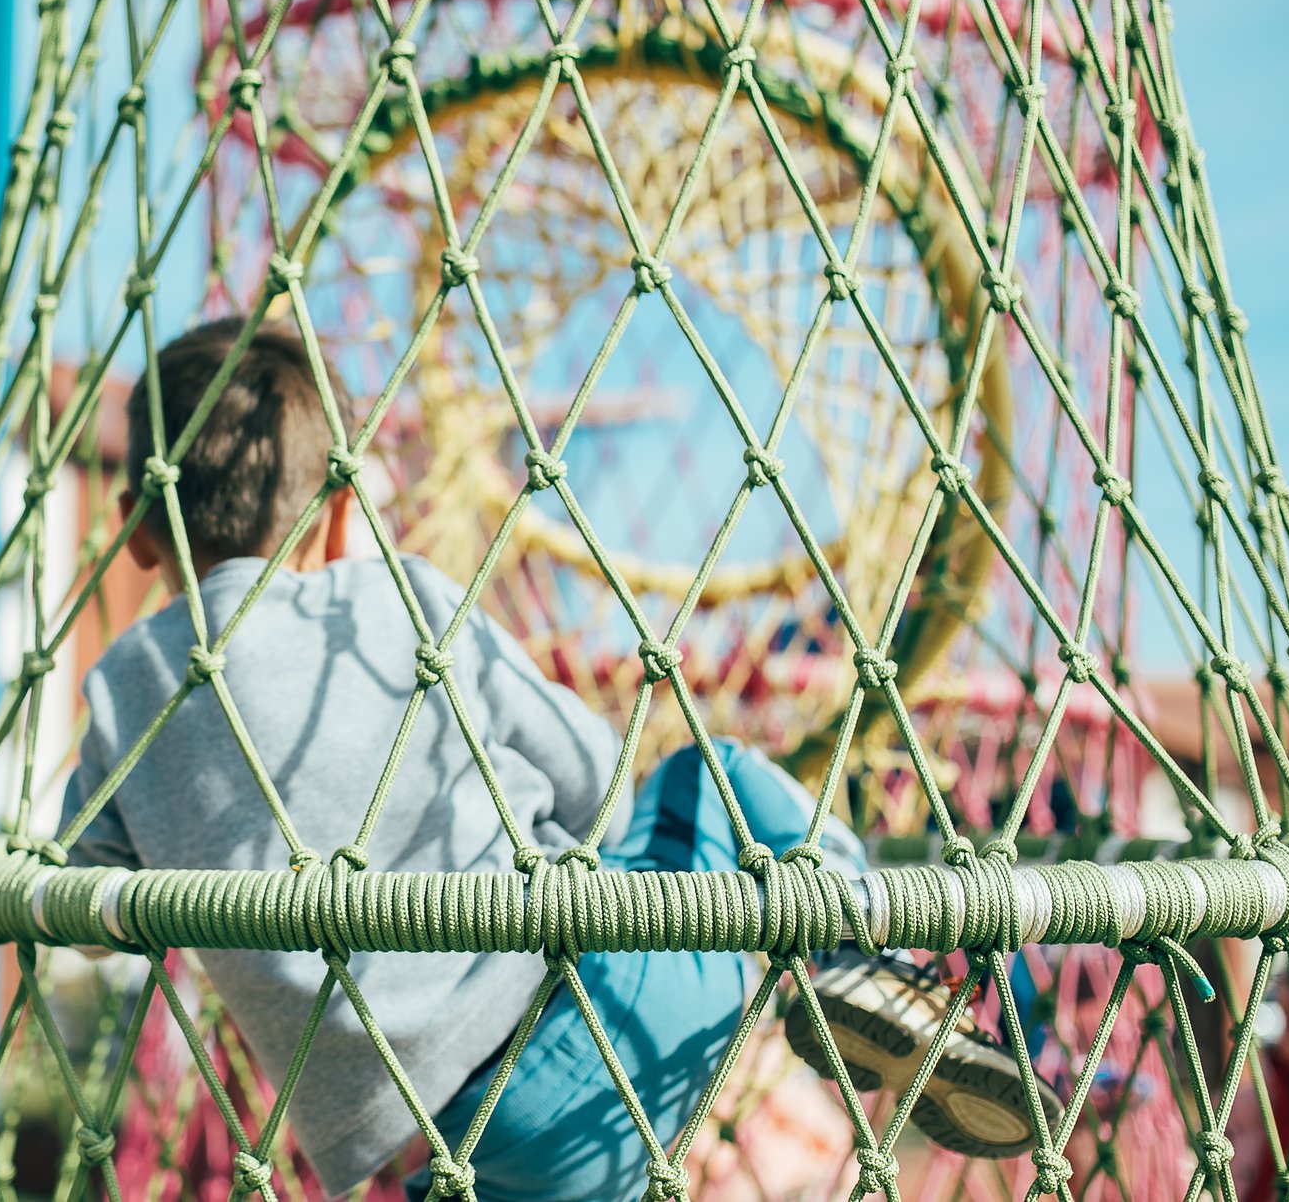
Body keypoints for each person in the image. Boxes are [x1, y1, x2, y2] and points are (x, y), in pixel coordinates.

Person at [59, 318, 1059, 1200]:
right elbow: (601, 796)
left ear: (140, 534)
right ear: (335, 513)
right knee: (711, 778)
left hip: (458, 1153)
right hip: (610, 1018)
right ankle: (861, 958)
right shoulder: (395, 602)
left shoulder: (122, 689)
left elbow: (95, 900)